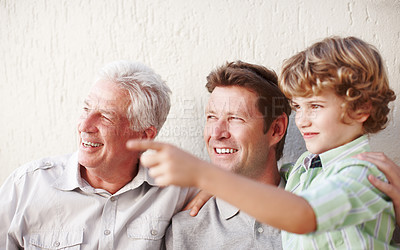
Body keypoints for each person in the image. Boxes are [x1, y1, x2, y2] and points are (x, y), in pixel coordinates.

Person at [128, 36, 397, 249]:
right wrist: (223, 185)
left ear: (361, 108)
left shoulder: (362, 173)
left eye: (315, 105)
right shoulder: (305, 169)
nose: (302, 120)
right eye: (298, 106)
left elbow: (303, 215)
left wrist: (205, 176)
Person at [0, 60, 198, 249]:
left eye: (106, 116)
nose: (84, 126)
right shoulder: (25, 187)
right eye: (86, 109)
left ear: (145, 136)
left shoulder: (177, 191)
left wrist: (211, 187)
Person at [142, 61, 291, 249]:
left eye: (235, 118)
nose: (217, 133)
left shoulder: (319, 207)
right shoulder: (185, 232)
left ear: (276, 129)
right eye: (211, 117)